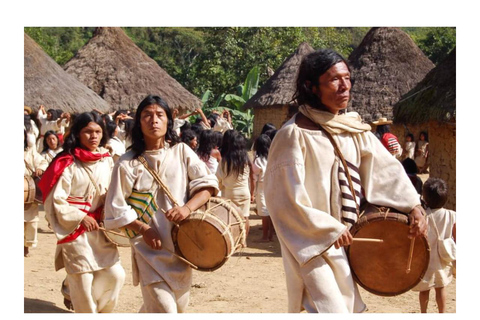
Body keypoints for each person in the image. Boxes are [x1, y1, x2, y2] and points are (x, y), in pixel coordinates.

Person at [264, 49, 427, 313]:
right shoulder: (292, 135)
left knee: (347, 307)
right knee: (331, 308)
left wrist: (413, 206)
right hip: (312, 244)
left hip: (347, 241)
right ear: (311, 86)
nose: (345, 86)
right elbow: (283, 199)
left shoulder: (352, 129)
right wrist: (328, 229)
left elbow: (385, 170)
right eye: (334, 79)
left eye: (347, 78)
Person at [103, 95, 219, 313]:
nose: (153, 120)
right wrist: (143, 229)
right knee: (166, 310)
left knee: (172, 308)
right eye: (147, 115)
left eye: (159, 115)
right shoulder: (127, 162)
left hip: (182, 247)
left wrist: (187, 209)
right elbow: (115, 207)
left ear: (168, 121)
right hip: (149, 250)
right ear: (138, 123)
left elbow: (208, 186)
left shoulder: (182, 152)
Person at [38, 111, 125, 313]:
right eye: (88, 132)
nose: (93, 136)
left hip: (100, 228)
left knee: (116, 275)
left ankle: (99, 310)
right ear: (78, 133)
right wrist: (80, 217)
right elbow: (57, 199)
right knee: (83, 279)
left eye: (97, 131)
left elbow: (113, 191)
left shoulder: (107, 160)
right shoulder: (67, 162)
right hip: (75, 229)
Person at [412, 178, 456, 313]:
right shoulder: (452, 215)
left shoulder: (423, 217)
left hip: (425, 260)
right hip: (443, 258)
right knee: (441, 288)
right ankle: (442, 313)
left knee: (424, 290)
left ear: (424, 198)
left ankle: (423, 313)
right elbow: (456, 237)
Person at [216, 129, 253, 237]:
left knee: (232, 218)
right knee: (245, 217)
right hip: (244, 192)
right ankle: (244, 241)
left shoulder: (224, 160)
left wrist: (219, 187)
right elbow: (250, 176)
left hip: (230, 193)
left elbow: (218, 178)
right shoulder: (246, 159)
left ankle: (235, 240)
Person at [24, 130, 48, 257]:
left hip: (30, 191)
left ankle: (26, 245)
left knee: (31, 221)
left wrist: (40, 168)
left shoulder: (31, 152)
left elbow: (43, 162)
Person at [251, 134, 273, 242]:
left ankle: (265, 236)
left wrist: (252, 192)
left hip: (262, 186)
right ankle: (271, 235)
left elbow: (254, 177)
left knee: (264, 212)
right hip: (274, 185)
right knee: (272, 211)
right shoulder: (274, 156)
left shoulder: (258, 160)